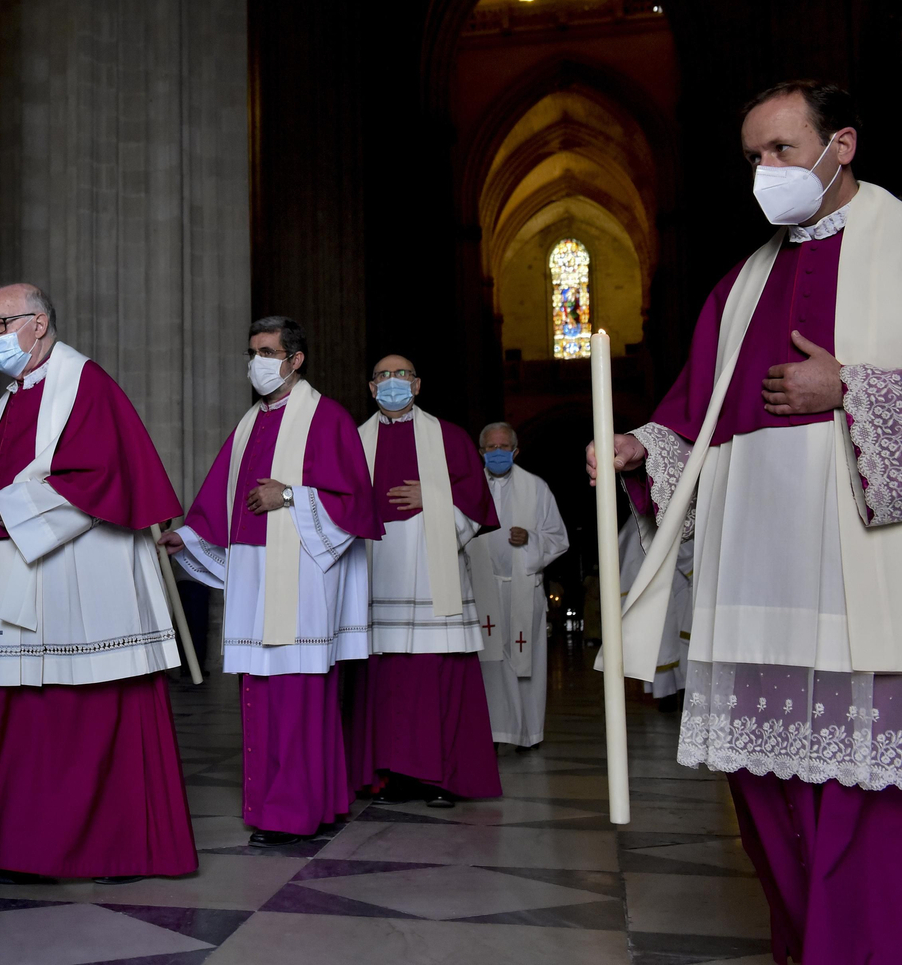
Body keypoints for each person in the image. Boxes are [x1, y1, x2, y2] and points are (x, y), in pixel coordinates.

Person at [587, 81, 902, 965]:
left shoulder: (899, 243)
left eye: (781, 151)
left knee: (864, 797)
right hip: (755, 574)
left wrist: (852, 388)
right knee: (767, 790)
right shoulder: (742, 282)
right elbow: (691, 415)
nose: (765, 172)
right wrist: (638, 450)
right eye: (753, 156)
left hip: (861, 578)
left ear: (842, 143)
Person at [0, 283, 196, 884]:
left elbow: (97, 477)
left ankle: (94, 846)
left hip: (82, 576)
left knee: (80, 709)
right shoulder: (11, 399)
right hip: (24, 575)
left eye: (0, 324)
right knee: (12, 708)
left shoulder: (85, 384)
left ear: (38, 323)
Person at [164, 316, 380, 846]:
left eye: (267, 351)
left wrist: (290, 495)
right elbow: (219, 498)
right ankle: (279, 806)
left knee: (298, 694)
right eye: (252, 351)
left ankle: (294, 812)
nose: (257, 361)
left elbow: (356, 504)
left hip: (302, 576)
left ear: (295, 359)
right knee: (261, 691)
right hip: (256, 577)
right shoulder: (249, 424)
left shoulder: (326, 417)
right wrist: (187, 536)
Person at [348, 355, 502, 807]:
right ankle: (390, 775)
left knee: (435, 677)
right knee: (385, 681)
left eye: (401, 374)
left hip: (432, 575)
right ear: (371, 388)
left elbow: (476, 500)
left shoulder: (448, 437)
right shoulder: (355, 442)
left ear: (417, 385)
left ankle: (441, 777)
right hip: (376, 572)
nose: (392, 381)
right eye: (382, 375)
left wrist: (434, 495)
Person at [471, 422, 569, 750]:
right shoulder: (469, 487)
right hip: (481, 590)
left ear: (515, 451)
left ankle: (528, 733)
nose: (497, 453)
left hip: (523, 586)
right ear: (481, 451)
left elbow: (558, 537)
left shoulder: (535, 487)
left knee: (526, 661)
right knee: (490, 665)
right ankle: (495, 733)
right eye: (490, 447)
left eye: (504, 447)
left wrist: (531, 540)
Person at [616, 513, 694, 712]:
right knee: (662, 634)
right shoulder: (638, 520)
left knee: (685, 634)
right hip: (658, 573)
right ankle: (668, 692)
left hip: (682, 581)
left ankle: (687, 690)